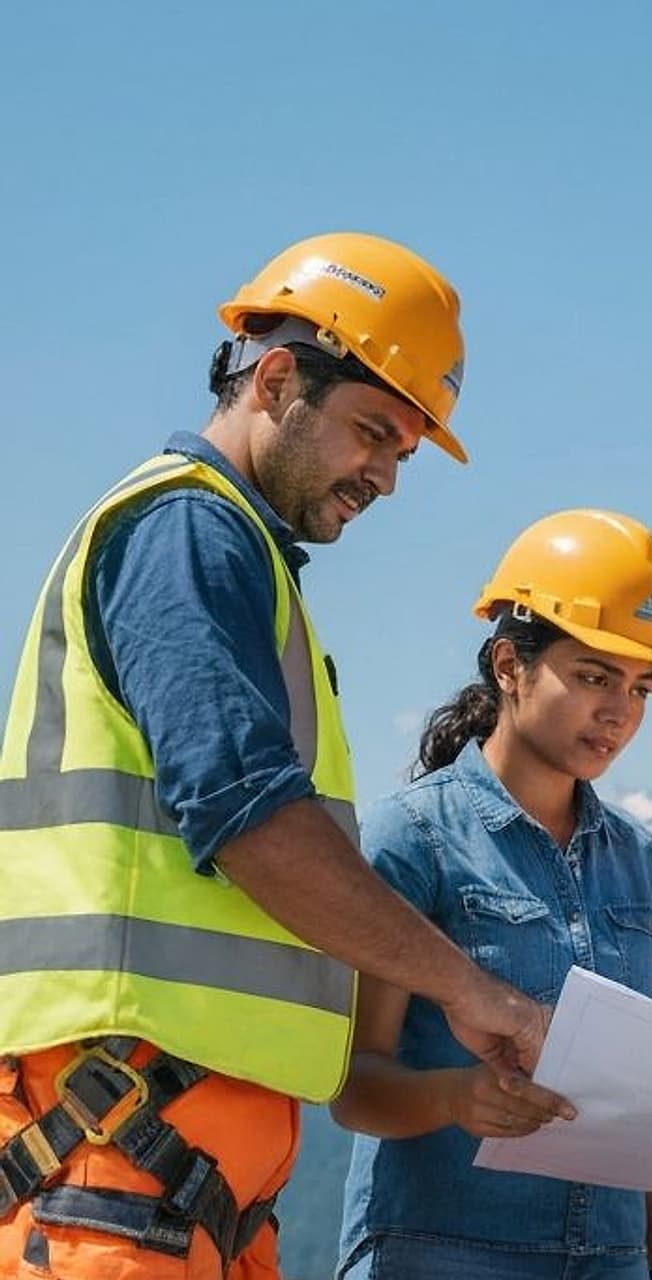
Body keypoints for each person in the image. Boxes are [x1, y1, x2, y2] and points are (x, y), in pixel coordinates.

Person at [0, 233, 547, 1279]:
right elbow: (252, 819)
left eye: (405, 451)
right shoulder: (187, 535)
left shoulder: (240, 558)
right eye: (373, 432)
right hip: (114, 1148)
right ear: (281, 379)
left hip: (179, 1162)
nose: (385, 474)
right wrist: (472, 991)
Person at [332, 509, 652, 1280]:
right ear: (509, 665)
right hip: (441, 1252)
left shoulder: (640, 861)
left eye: (641, 688)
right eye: (595, 676)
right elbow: (354, 1086)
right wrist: (453, 1097)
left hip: (612, 1259)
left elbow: (647, 1093)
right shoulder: (412, 836)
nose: (619, 712)